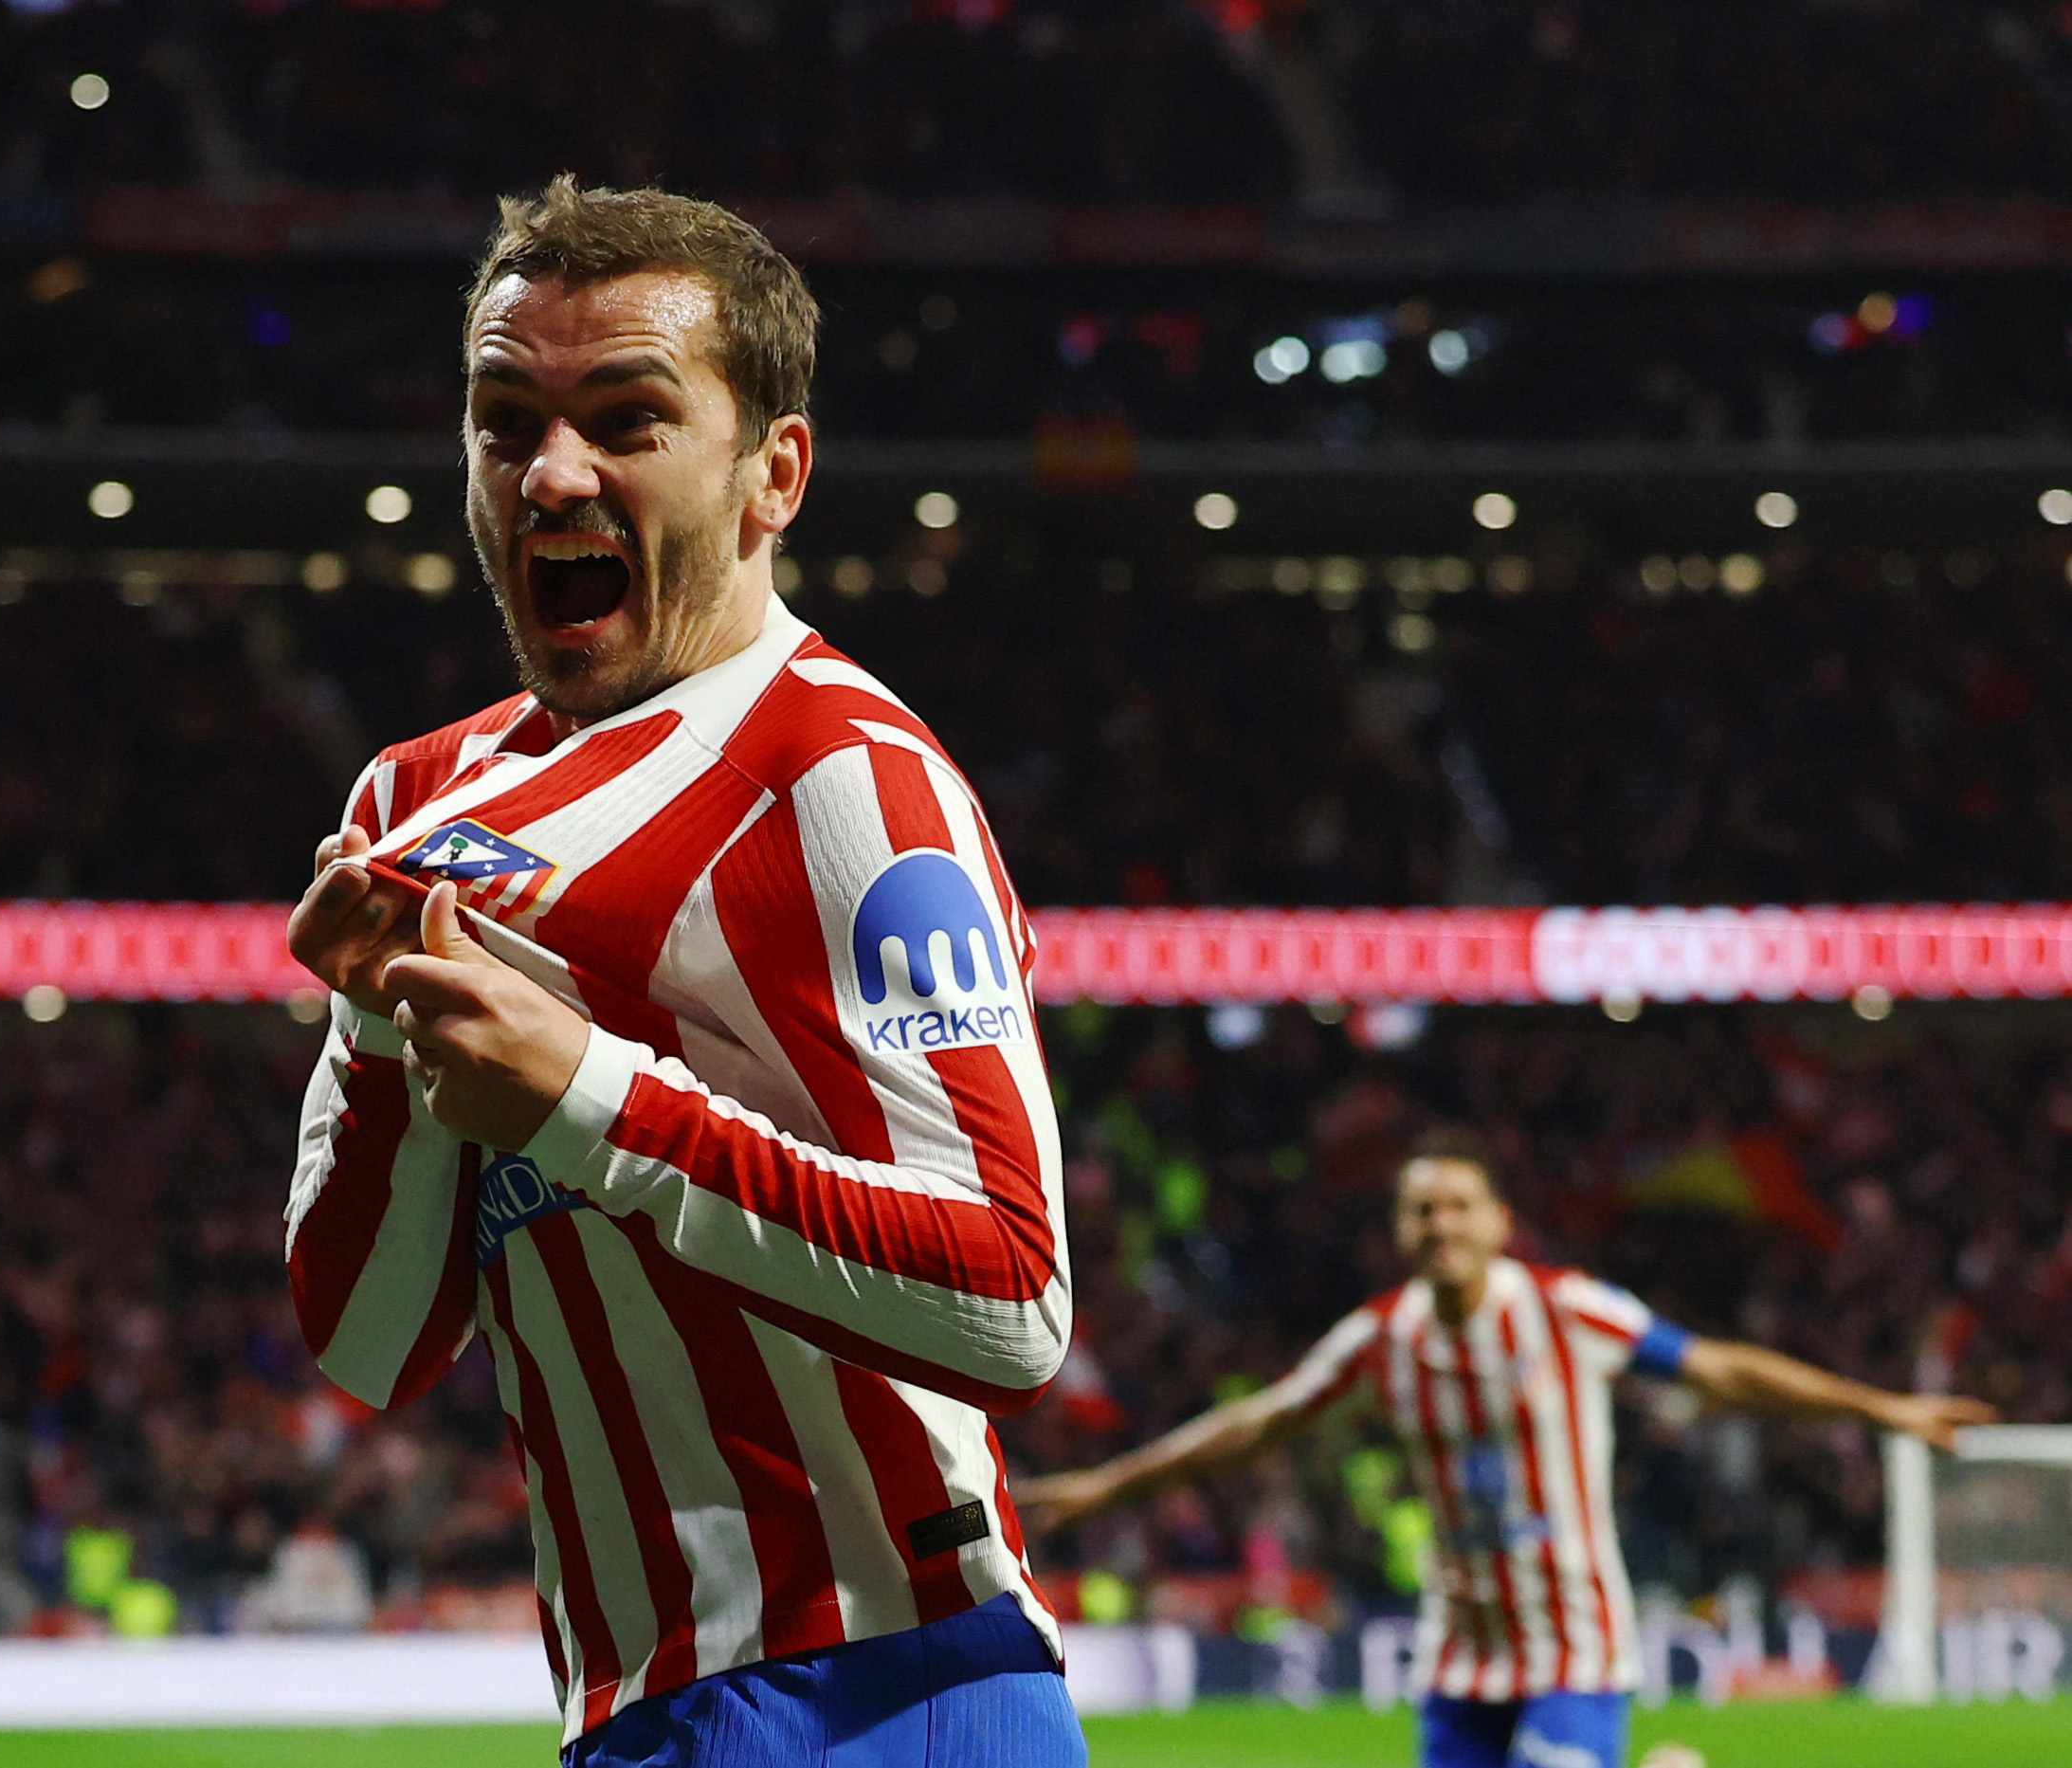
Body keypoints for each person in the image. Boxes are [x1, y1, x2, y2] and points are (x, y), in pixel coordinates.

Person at [281, 176, 1081, 1768]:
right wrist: (382, 1038)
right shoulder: (408, 808)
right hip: (637, 1711)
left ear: (772, 472)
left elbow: (1015, 1296)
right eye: (505, 421)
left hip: (893, 1689)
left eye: (628, 420)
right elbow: (367, 1343)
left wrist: (584, 1096)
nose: (552, 473)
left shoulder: (847, 776)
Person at [1015, 1125, 1995, 1768]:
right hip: (1459, 1648)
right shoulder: (1381, 1336)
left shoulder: (1566, 1309)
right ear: (1399, 1227)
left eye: (1457, 1204)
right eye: (1420, 1207)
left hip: (1570, 1636)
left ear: (1496, 1222)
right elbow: (1257, 1420)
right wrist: (1110, 1482)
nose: (1439, 1222)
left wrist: (1880, 1408)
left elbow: (1719, 1368)